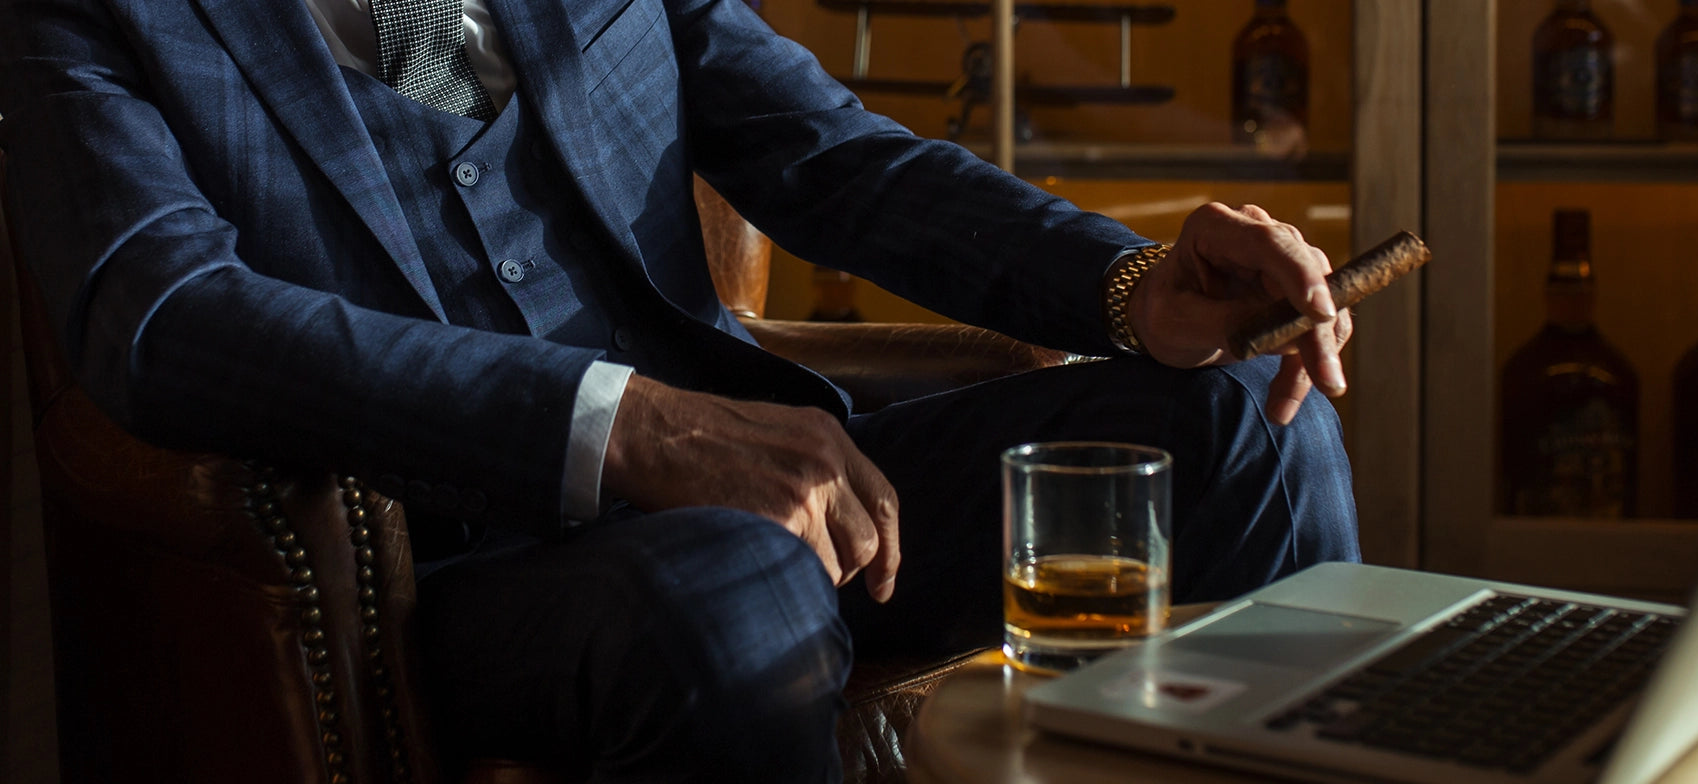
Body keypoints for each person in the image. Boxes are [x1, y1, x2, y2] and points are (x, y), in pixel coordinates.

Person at [0, 0, 1359, 780]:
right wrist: (621, 423)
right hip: (462, 560)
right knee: (733, 587)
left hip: (795, 495)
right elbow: (159, 314)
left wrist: (1133, 288)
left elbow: (833, 156)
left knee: (1247, 435)